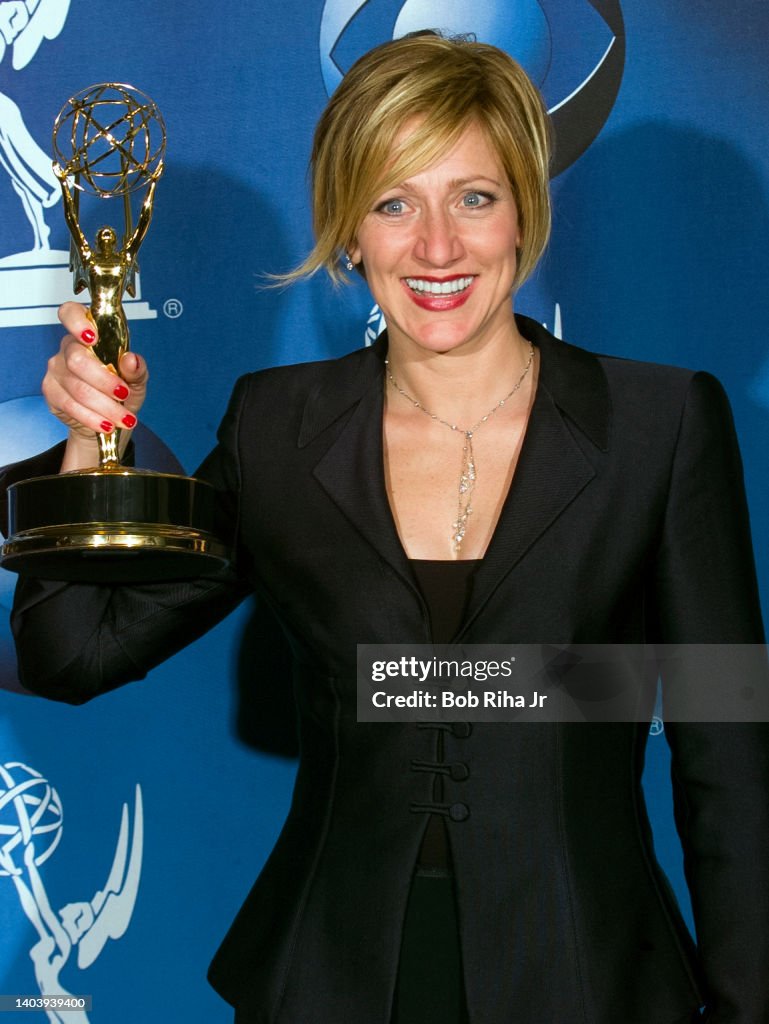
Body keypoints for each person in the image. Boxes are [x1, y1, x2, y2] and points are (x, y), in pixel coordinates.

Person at [1, 32, 767, 1024]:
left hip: (588, 980)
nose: (436, 246)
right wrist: (84, 445)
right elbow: (72, 657)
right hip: (326, 981)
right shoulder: (279, 428)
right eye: (393, 201)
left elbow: (730, 752)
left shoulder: (660, 426)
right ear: (348, 227)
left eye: (473, 197)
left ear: (525, 214)